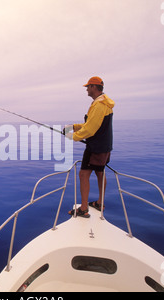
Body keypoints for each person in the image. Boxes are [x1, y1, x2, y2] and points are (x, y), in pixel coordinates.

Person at [65, 76, 115, 218]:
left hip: (95, 148)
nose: (86, 89)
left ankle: (84, 208)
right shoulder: (104, 103)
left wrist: (72, 136)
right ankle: (100, 203)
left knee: (83, 174)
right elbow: (91, 125)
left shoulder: (99, 105)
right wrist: (74, 127)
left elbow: (90, 130)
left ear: (94, 87)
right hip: (104, 146)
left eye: (88, 86)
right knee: (100, 173)